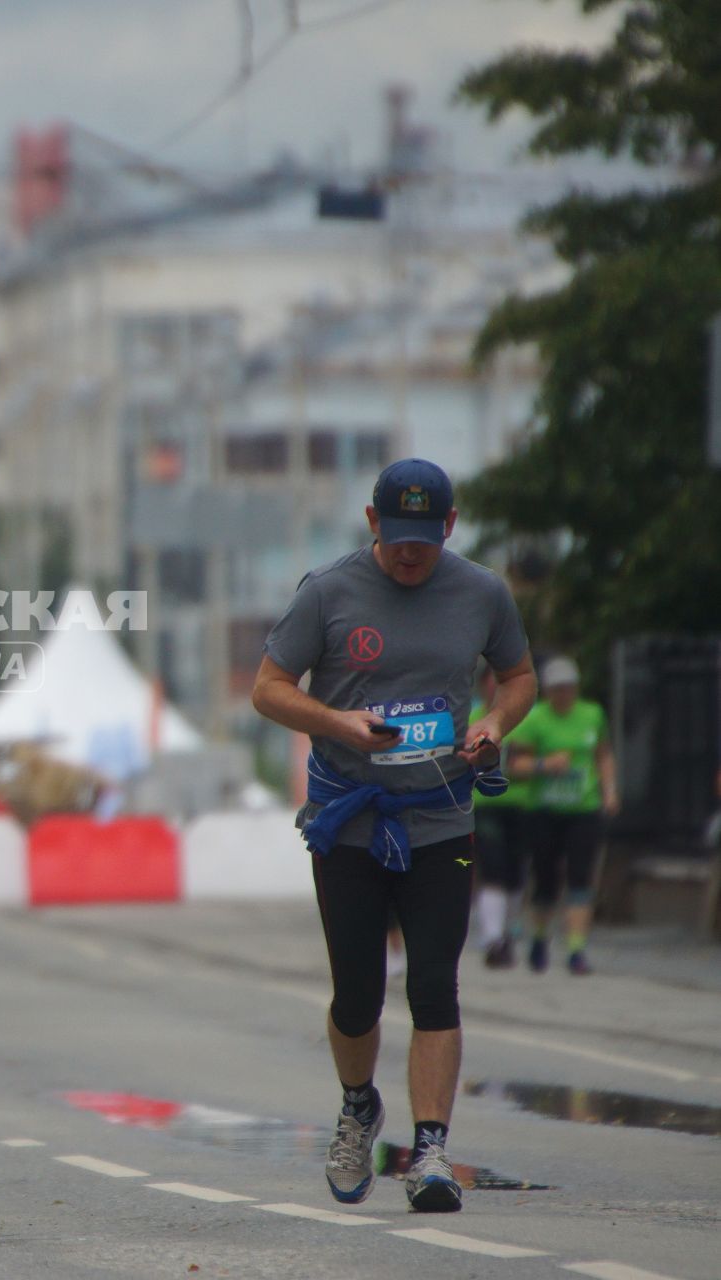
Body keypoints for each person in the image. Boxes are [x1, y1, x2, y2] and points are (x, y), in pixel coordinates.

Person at [252, 457, 535, 1214]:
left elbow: (519, 677)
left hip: (442, 818)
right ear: (373, 524)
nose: (412, 553)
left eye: (427, 538)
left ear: (449, 526)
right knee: (357, 995)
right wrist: (337, 721)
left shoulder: (481, 592)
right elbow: (268, 689)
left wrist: (494, 725)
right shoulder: (329, 593)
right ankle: (356, 1104)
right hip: (350, 823)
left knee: (435, 983)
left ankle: (431, 1149)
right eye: (397, 537)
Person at [508, 656, 617, 975]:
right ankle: (540, 937)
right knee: (545, 882)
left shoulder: (592, 714)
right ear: (548, 692)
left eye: (569, 688)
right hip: (543, 810)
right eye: (558, 689)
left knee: (581, 879)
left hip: (583, 808)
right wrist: (545, 765)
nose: (564, 695)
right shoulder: (535, 720)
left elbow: (604, 754)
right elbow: (515, 766)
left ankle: (576, 950)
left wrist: (610, 790)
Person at [470, 666, 532, 968]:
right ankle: (492, 939)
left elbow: (541, 757)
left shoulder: (523, 720)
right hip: (485, 804)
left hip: (521, 804)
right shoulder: (470, 719)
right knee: (492, 868)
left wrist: (532, 765)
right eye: (490, 683)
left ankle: (508, 933)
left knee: (516, 872)